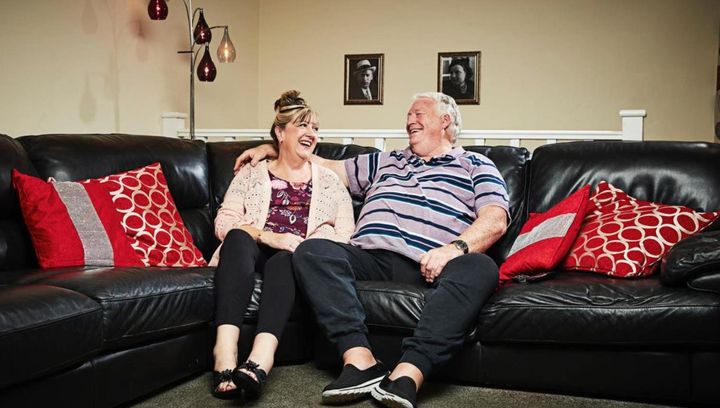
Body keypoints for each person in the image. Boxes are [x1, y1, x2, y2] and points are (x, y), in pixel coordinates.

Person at [234, 92, 509, 408]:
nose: (409, 121)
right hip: (370, 257)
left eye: (418, 113)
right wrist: (276, 146)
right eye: (408, 115)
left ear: (444, 121)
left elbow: (495, 219)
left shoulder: (475, 163)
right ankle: (360, 361)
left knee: (482, 267)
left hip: (435, 262)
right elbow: (321, 165)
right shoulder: (386, 159)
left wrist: (454, 249)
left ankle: (408, 374)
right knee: (311, 250)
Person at [211, 90, 355, 400]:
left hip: (295, 255)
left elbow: (345, 239)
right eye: (303, 126)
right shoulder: (251, 173)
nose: (311, 134)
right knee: (238, 235)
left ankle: (260, 359)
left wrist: (305, 245)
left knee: (288, 258)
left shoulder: (330, 181)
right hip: (249, 250)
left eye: (315, 128)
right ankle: (224, 352)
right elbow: (223, 223)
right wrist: (266, 235)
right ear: (280, 131)